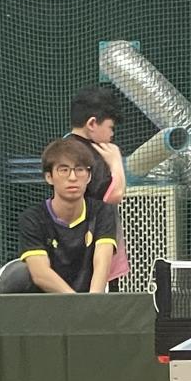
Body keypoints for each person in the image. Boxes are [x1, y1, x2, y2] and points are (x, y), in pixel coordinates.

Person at [12, 138, 119, 293]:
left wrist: (92, 302)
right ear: (49, 177)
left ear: (89, 176)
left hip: (88, 303)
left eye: (80, 169)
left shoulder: (103, 213)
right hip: (46, 304)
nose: (73, 177)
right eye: (64, 170)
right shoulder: (32, 218)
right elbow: (40, 274)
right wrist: (76, 303)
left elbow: (102, 264)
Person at [65, 85, 129, 282]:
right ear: (92, 123)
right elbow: (113, 195)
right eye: (110, 127)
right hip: (92, 251)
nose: (112, 135)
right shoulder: (90, 155)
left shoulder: (63, 146)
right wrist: (116, 162)